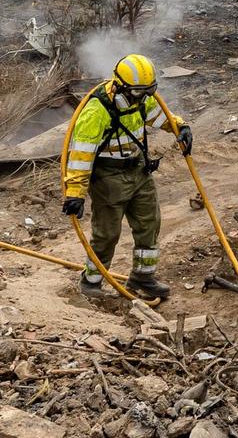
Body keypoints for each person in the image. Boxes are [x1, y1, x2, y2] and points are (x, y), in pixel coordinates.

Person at [62, 54, 192, 299]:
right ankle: (91, 283)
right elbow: (81, 156)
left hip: (139, 170)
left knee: (149, 224)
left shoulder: (140, 98)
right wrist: (75, 194)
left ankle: (143, 278)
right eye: (137, 92)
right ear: (120, 86)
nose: (142, 97)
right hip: (108, 178)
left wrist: (180, 126)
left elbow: (160, 115)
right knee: (107, 233)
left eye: (147, 91)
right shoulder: (95, 111)